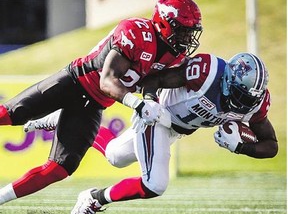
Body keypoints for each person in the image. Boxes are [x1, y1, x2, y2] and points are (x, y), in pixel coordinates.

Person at [0, 0, 203, 206]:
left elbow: (153, 79)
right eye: (183, 30)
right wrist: (139, 104)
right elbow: (107, 81)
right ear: (163, 22)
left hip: (93, 106)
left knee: (59, 169)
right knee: (8, 115)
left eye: (191, 31)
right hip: (74, 83)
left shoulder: (174, 55)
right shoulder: (136, 32)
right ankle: (53, 115)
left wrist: (150, 97)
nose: (187, 37)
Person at [22, 52, 278, 213]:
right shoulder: (207, 72)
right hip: (158, 115)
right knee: (155, 184)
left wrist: (242, 148)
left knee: (114, 155)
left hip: (176, 130)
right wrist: (150, 103)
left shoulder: (254, 105)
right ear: (228, 81)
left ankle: (60, 118)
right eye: (239, 95)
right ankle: (94, 199)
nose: (241, 103)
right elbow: (153, 79)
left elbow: (271, 145)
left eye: (248, 99)